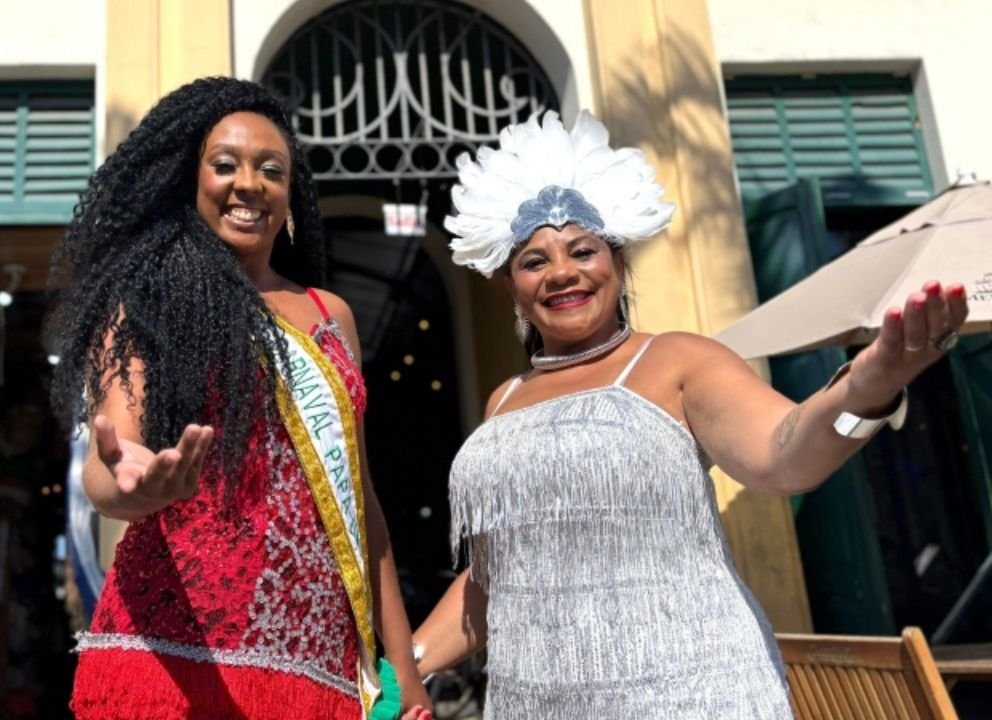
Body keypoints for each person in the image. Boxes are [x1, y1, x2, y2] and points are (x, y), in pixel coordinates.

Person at [404, 110, 968, 718]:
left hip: (690, 694)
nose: (562, 272)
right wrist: (400, 669)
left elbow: (785, 455)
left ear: (619, 263)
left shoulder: (677, 361)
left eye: (583, 250)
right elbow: (495, 577)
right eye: (534, 261)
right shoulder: (505, 399)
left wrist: (868, 385)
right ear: (511, 286)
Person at [48, 77, 431, 720]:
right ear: (189, 182)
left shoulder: (330, 315)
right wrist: (135, 489)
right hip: (172, 659)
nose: (248, 184)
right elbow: (110, 465)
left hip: (316, 669)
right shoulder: (148, 302)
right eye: (225, 165)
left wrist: (407, 672)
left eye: (271, 170)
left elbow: (361, 503)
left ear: (290, 195)